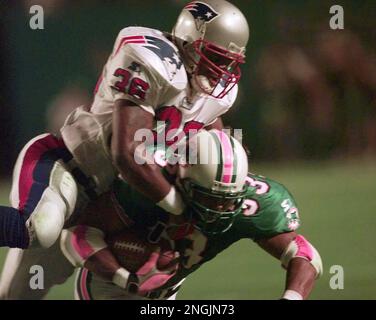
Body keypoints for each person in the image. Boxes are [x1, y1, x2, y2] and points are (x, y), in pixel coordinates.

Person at [0, 0, 249, 250]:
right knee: (37, 229)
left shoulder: (217, 96)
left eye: (230, 62)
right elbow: (127, 153)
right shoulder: (156, 63)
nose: (221, 71)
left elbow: (214, 152)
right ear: (188, 42)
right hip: (67, 168)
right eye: (215, 57)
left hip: (113, 198)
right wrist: (176, 205)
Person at [60, 130, 323, 300]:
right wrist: (126, 278)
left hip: (165, 293)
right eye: (210, 197)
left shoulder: (253, 204)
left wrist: (292, 298)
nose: (219, 209)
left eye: (227, 200)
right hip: (109, 288)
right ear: (183, 180)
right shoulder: (147, 186)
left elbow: (305, 255)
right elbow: (78, 235)